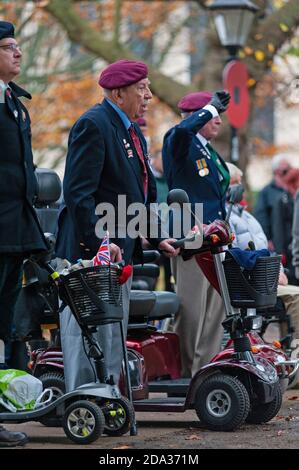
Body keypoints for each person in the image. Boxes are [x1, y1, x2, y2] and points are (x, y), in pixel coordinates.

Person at [55, 59, 179, 391]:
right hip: (91, 253)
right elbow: (79, 193)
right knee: (89, 333)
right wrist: (98, 244)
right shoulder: (93, 124)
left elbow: (136, 194)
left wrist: (158, 237)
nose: (149, 95)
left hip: (117, 250)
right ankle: (84, 401)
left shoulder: (130, 130)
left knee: (112, 332)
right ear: (119, 92)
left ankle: (108, 397)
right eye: (142, 88)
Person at [0, 20, 47, 447]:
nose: (18, 53)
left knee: (4, 326)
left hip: (14, 233)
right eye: (8, 46)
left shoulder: (15, 102)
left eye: (18, 46)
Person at [162, 90, 230, 377]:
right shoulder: (180, 141)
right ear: (194, 116)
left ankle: (206, 368)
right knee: (192, 309)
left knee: (216, 310)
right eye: (212, 116)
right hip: (191, 236)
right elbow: (181, 131)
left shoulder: (206, 149)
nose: (218, 121)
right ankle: (185, 369)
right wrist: (208, 108)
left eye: (218, 116)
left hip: (213, 237)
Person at [228, 163, 299, 347]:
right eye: (234, 183)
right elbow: (234, 258)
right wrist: (271, 273)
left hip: (267, 277)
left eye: (240, 182)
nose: (240, 187)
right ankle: (295, 351)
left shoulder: (247, 216)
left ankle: (289, 351)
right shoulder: (227, 218)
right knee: (297, 296)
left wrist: (279, 269)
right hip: (253, 283)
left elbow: (267, 250)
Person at [254, 155, 295, 280]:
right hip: (277, 241)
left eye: (289, 169)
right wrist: (268, 238)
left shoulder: (292, 190)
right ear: (276, 171)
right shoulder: (266, 192)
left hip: (292, 239)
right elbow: (261, 216)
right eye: (285, 170)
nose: (288, 172)